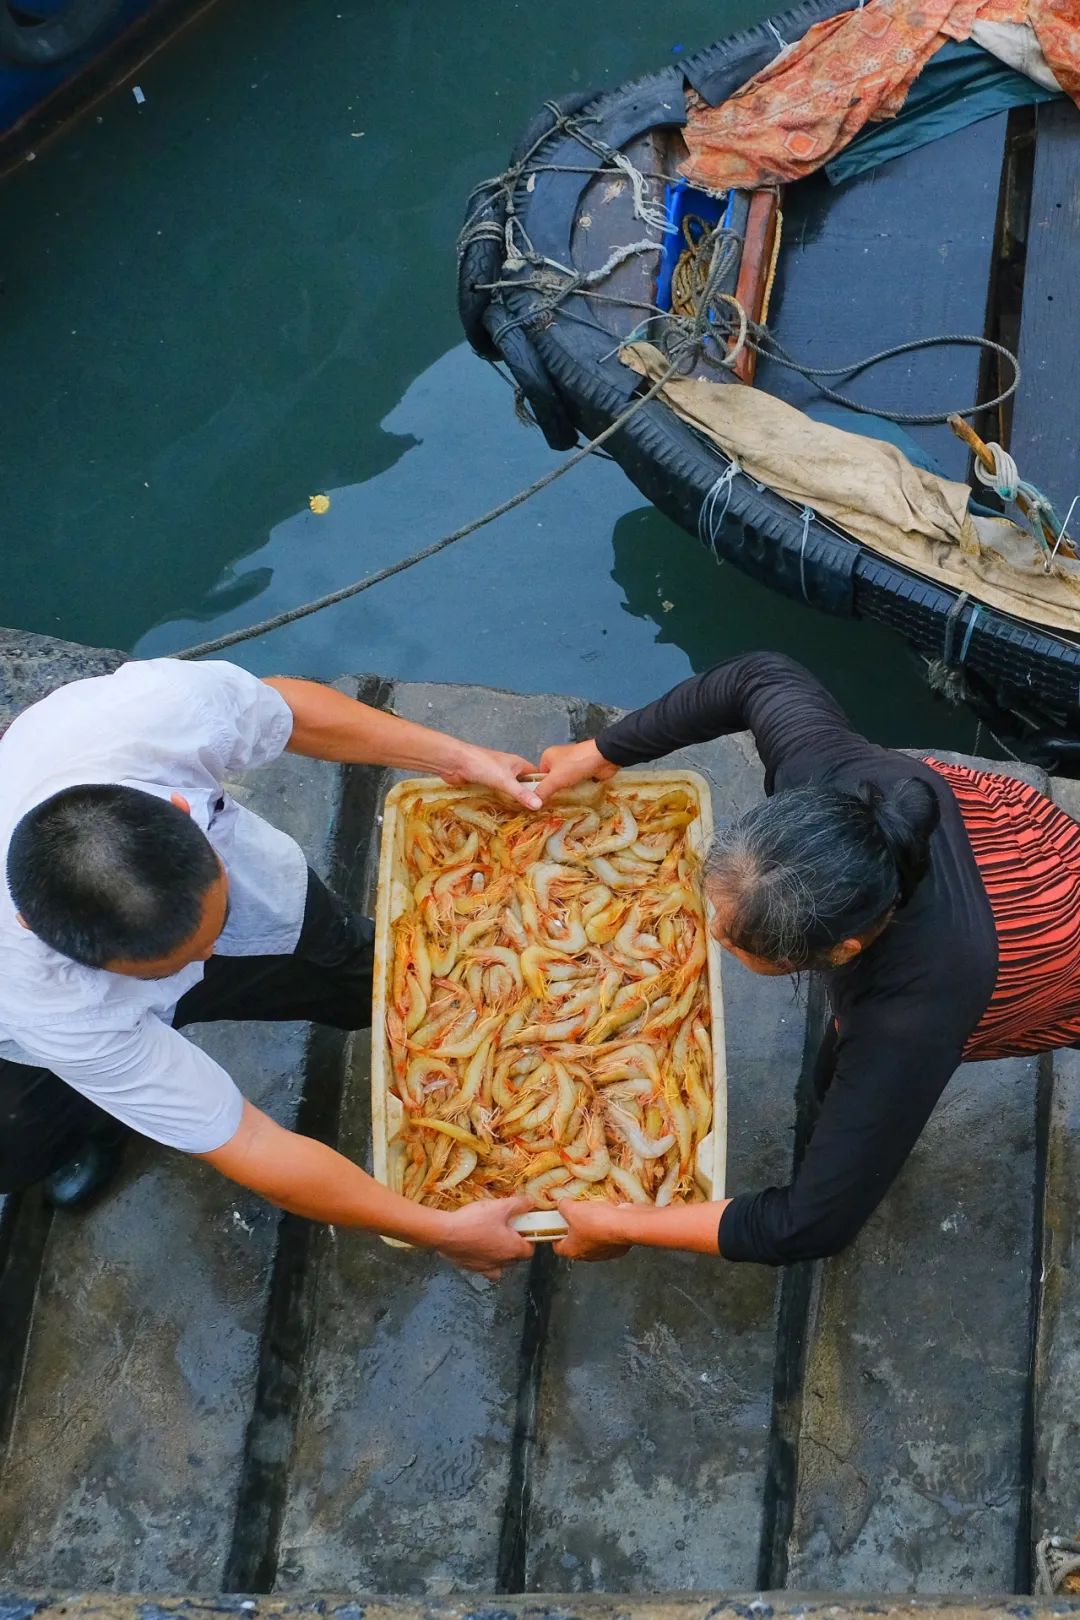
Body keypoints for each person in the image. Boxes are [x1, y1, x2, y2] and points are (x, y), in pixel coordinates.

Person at [533, 649, 1080, 1267]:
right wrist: (602, 751)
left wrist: (620, 1223)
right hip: (978, 829)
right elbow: (759, 674)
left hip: (1044, 940)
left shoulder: (910, 1015)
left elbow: (807, 1228)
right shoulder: (824, 775)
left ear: (844, 950)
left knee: (865, 1081)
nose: (712, 933)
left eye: (737, 942)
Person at [0, 657, 540, 1278]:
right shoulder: (44, 1002)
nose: (207, 959)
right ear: (35, 929)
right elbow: (252, 1143)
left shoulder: (153, 715)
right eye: (166, 967)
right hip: (50, 1034)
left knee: (358, 977)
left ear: (182, 810)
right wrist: (439, 1230)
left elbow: (288, 711)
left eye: (212, 925)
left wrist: (458, 758)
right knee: (24, 1141)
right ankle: (93, 1125)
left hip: (266, 915)